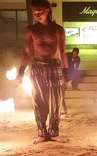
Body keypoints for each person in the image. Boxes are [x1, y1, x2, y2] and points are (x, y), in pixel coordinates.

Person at [16, 0, 71, 144]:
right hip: (37, 67)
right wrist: (20, 73)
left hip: (54, 67)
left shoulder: (58, 30)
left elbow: (63, 53)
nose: (36, 14)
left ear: (47, 10)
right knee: (38, 101)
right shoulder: (31, 30)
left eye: (40, 10)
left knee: (56, 102)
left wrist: (67, 76)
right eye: (34, 11)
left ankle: (54, 132)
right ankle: (41, 133)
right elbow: (27, 53)